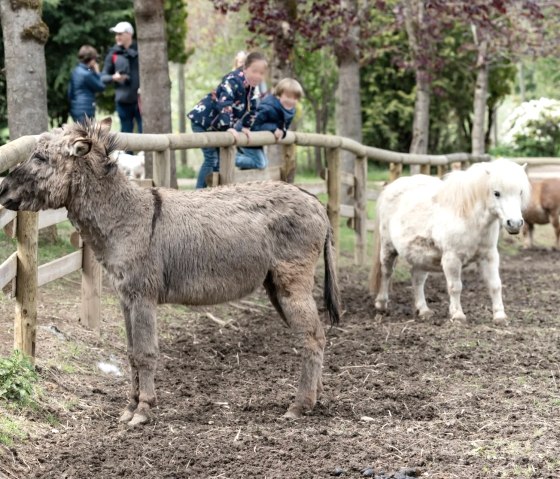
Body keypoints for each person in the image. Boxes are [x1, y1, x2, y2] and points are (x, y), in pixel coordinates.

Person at [188, 51, 268, 189]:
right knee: (211, 159)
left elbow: (253, 107)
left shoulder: (253, 88)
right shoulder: (233, 80)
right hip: (203, 122)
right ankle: (198, 193)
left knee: (220, 161)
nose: (257, 76)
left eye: (261, 73)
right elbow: (225, 103)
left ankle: (215, 193)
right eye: (254, 71)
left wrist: (246, 127)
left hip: (217, 126)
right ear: (245, 68)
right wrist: (228, 127)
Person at [235, 78, 303, 170]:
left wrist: (283, 132)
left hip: (257, 141)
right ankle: (231, 160)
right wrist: (274, 129)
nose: (291, 101)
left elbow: (284, 127)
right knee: (261, 164)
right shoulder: (268, 108)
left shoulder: (290, 111)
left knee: (263, 163)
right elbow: (253, 125)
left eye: (295, 98)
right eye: (288, 97)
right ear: (279, 95)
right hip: (246, 134)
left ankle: (243, 171)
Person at [100, 21, 142, 133]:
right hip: (123, 100)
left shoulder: (141, 50)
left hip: (141, 100)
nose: (117, 37)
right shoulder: (113, 54)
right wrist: (114, 77)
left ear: (129, 34)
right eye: (116, 34)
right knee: (126, 133)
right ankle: (128, 152)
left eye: (120, 34)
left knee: (145, 131)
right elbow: (102, 77)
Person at [67, 45, 105, 123]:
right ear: (91, 60)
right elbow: (101, 87)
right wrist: (97, 72)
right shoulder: (87, 74)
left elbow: (70, 93)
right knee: (87, 133)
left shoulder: (75, 71)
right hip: (86, 109)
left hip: (75, 108)